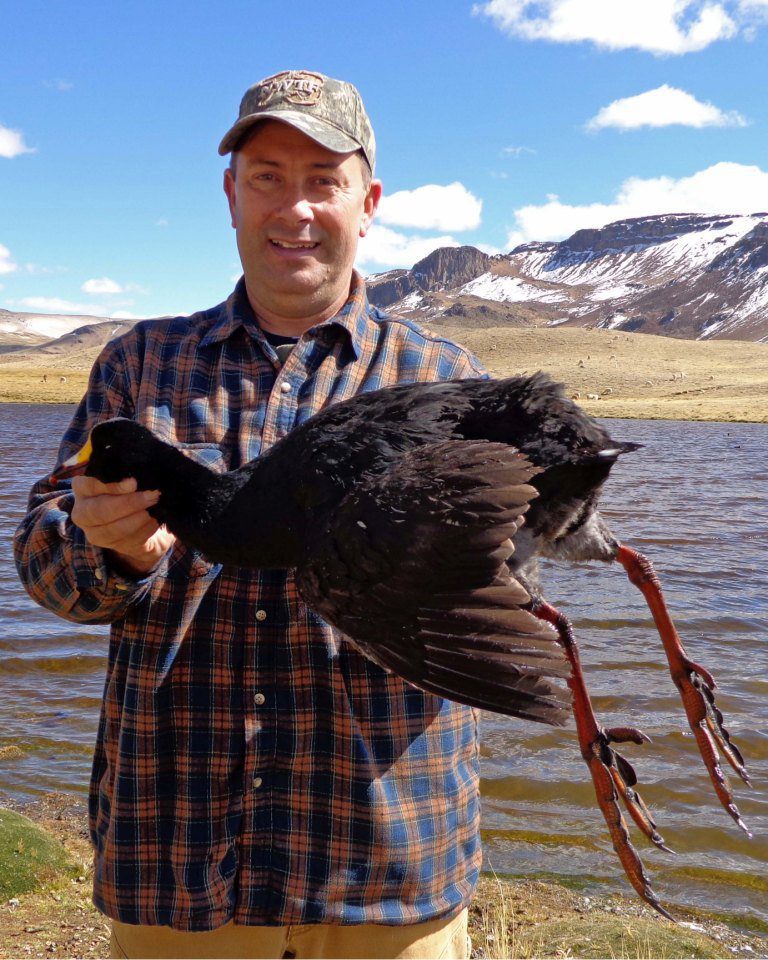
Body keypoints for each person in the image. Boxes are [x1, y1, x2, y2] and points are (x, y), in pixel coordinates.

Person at [14, 70, 486, 960]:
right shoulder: (139, 365)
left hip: (386, 870)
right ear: (232, 194)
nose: (294, 208)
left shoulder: (442, 379)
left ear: (368, 201)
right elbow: (47, 566)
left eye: (323, 181)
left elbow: (503, 589)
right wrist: (106, 554)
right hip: (178, 868)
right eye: (268, 176)